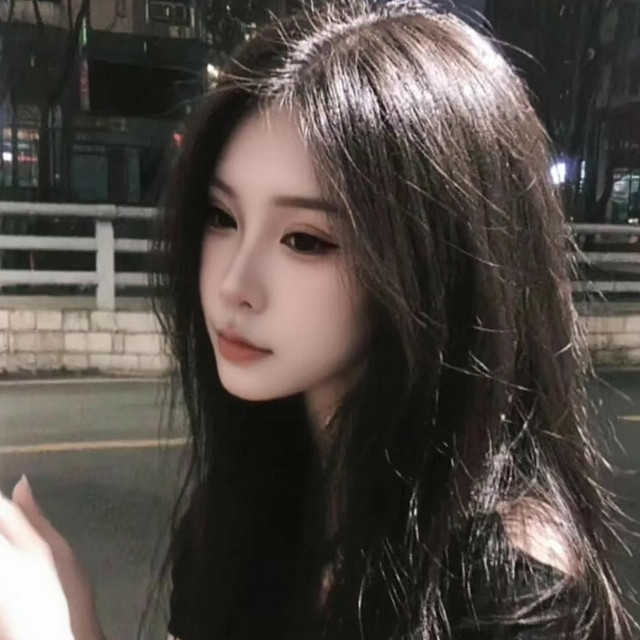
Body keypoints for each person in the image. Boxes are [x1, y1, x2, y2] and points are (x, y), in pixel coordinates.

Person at [0, 1, 636, 639]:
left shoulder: (510, 587)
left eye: (305, 240)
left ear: (438, 265)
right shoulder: (245, 505)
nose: (233, 284)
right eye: (222, 218)